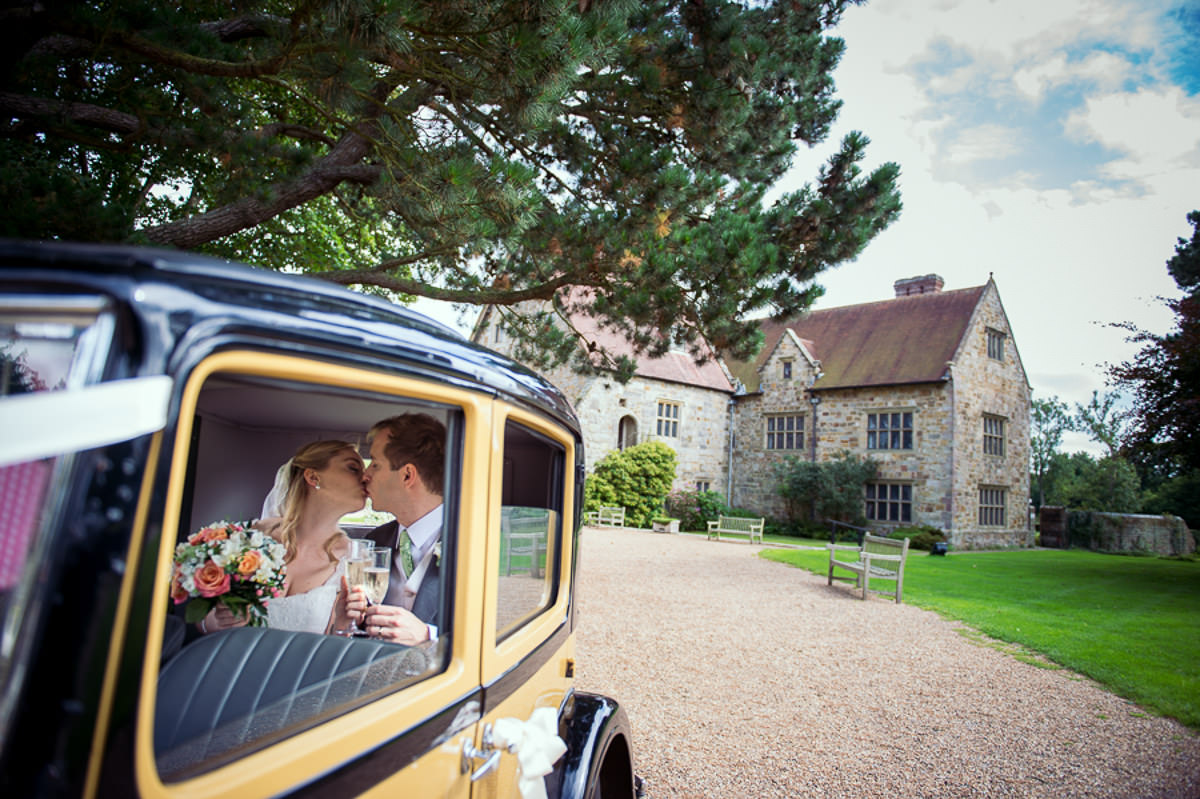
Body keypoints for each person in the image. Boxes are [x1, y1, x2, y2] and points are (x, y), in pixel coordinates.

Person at [198, 440, 366, 635]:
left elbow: (334, 641)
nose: (365, 478)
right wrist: (217, 621)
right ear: (313, 477)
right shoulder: (250, 536)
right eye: (353, 468)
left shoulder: (354, 558)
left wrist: (343, 624)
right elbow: (202, 617)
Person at [348, 413, 445, 645]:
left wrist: (429, 637)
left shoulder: (478, 543)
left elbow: (503, 636)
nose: (365, 475)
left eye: (375, 464)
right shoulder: (374, 540)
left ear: (407, 475)